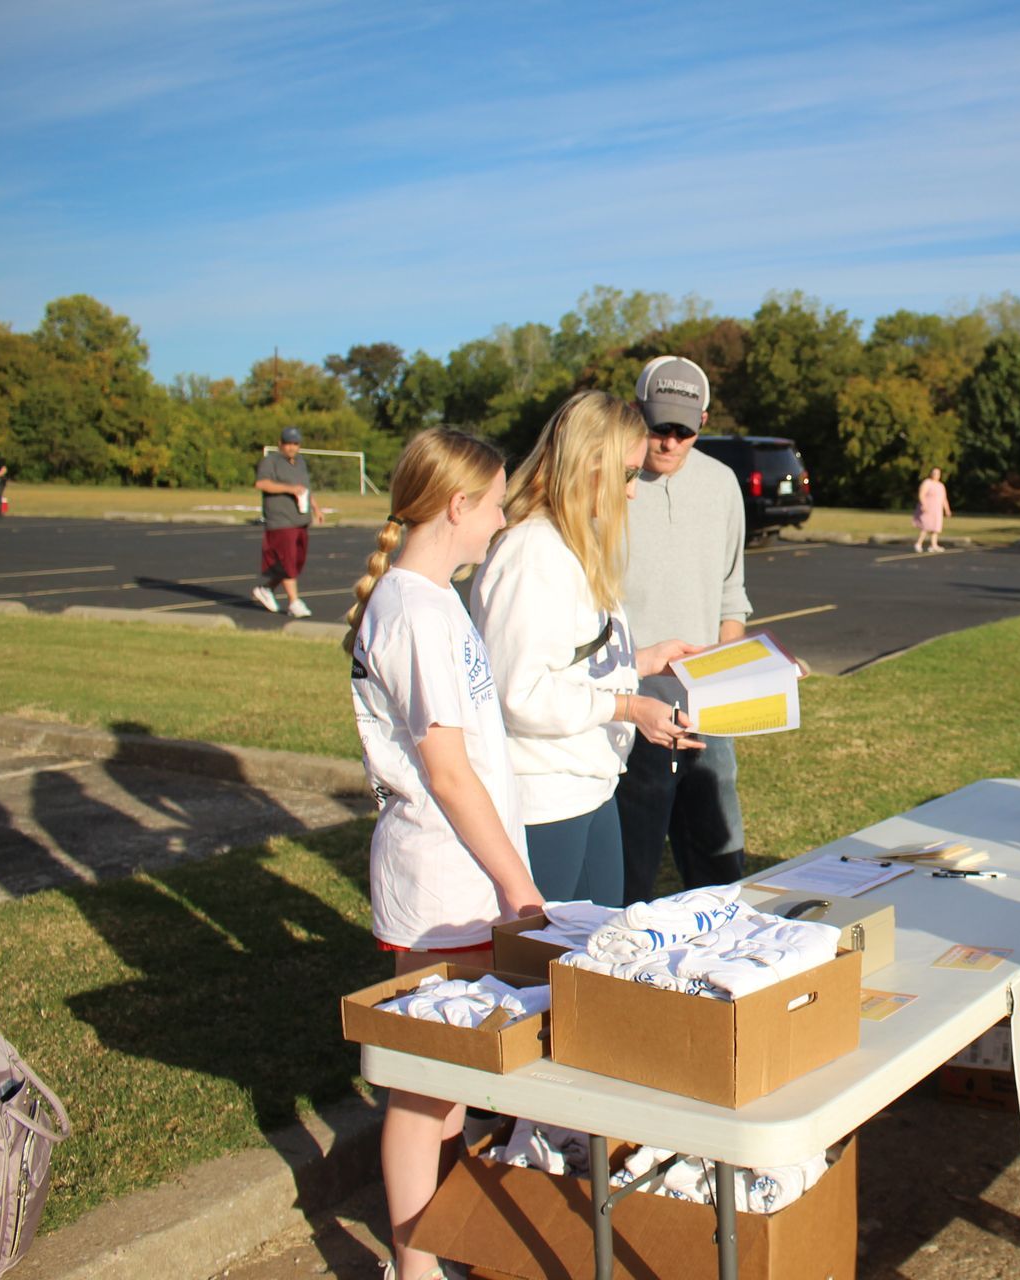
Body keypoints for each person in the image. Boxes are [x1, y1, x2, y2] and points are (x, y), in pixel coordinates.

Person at [342, 427, 544, 1280]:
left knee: (452, 1077)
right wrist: (518, 885)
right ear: (458, 507)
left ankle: (442, 1247)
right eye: (496, 504)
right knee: (424, 1089)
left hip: (458, 879)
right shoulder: (416, 610)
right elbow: (449, 774)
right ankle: (414, 1267)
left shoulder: (430, 597)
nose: (502, 520)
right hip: (443, 884)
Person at [471, 391, 704, 907]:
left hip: (590, 783)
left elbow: (573, 660)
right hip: (547, 794)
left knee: (594, 957)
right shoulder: (532, 552)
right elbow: (521, 693)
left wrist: (644, 661)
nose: (633, 493)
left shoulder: (569, 543)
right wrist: (628, 706)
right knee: (550, 973)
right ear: (586, 464)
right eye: (626, 474)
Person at [617, 356, 754, 904]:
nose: (670, 443)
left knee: (720, 873)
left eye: (685, 431)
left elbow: (731, 592)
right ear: (633, 412)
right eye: (658, 427)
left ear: (704, 419)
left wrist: (734, 674)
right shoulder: (608, 486)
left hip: (706, 713)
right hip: (629, 710)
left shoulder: (722, 485)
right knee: (627, 879)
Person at [253, 427, 323, 617]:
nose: (292, 447)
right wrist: (289, 489)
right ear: (280, 444)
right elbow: (261, 483)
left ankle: (266, 589)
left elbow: (306, 488)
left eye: (295, 443)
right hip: (280, 520)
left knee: (295, 562)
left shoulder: (300, 462)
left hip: (300, 519)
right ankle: (294, 602)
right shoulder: (271, 461)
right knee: (287, 559)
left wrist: (316, 508)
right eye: (288, 443)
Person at [913, 466, 951, 554]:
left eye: (938, 474)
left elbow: (944, 498)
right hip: (928, 508)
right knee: (926, 526)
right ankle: (918, 543)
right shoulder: (927, 483)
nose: (936, 475)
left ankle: (933, 545)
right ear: (931, 474)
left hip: (937, 509)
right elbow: (921, 494)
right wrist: (923, 504)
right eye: (934, 473)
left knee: (935, 527)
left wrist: (947, 509)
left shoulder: (941, 485)